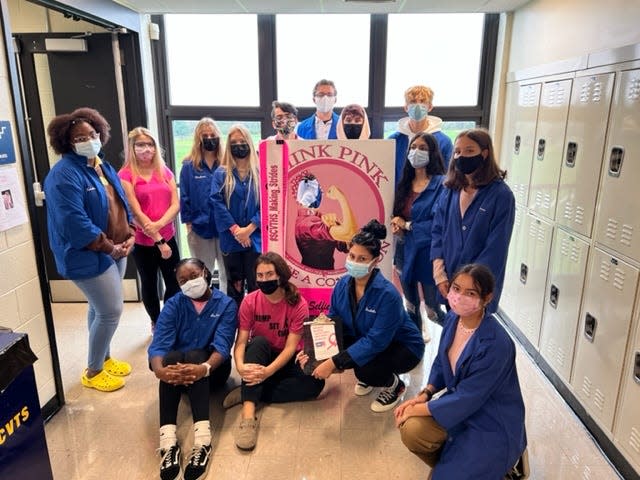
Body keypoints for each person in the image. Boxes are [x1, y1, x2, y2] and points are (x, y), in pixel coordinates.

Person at [395, 264, 527, 480]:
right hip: (460, 409)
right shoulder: (453, 320)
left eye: (471, 293)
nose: (459, 297)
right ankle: (458, 466)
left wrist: (415, 409)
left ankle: (496, 470)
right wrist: (425, 393)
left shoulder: (496, 343)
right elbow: (441, 362)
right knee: (412, 431)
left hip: (490, 421)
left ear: (487, 298)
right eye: (456, 289)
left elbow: (468, 398)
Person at [44, 107, 135, 392]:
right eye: (80, 137)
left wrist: (130, 232)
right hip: (88, 254)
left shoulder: (102, 166)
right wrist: (110, 248)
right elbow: (75, 223)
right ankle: (94, 371)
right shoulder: (63, 175)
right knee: (110, 310)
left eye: (93, 134)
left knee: (99, 308)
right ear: (67, 142)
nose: (89, 140)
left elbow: (121, 202)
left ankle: (104, 358)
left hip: (115, 249)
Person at [308, 220, 425, 412]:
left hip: (404, 347)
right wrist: (313, 350)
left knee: (365, 369)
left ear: (375, 260)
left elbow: (376, 341)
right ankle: (372, 375)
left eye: (362, 259)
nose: (354, 262)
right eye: (352, 256)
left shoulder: (388, 295)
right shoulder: (342, 285)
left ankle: (394, 384)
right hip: (368, 337)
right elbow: (333, 322)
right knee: (354, 358)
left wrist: (333, 363)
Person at [222, 252, 325, 451]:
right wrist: (241, 366)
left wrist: (268, 372)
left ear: (281, 276)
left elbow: (290, 348)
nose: (264, 280)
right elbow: (242, 340)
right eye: (260, 275)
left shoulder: (298, 303)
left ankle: (248, 392)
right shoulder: (249, 301)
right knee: (258, 342)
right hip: (260, 354)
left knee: (315, 384)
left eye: (269, 274)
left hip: (286, 357)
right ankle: (248, 415)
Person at [148, 258, 237, 480]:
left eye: (194, 276)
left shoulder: (226, 304)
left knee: (196, 354)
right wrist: (160, 371)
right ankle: (168, 443)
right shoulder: (174, 304)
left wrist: (204, 368)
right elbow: (159, 344)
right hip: (179, 375)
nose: (190, 282)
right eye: (183, 280)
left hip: (213, 372)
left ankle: (203, 442)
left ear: (205, 272)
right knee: (171, 357)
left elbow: (223, 346)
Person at [431, 129, 515, 314]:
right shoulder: (450, 191)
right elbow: (438, 232)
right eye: (458, 151)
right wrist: (440, 274)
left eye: (469, 151)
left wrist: (468, 287)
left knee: (473, 334)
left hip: (478, 287)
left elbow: (496, 248)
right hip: (449, 281)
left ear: (484, 153)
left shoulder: (501, 195)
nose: (462, 156)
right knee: (453, 331)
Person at [119, 127, 181, 330]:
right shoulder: (126, 174)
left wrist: (160, 226)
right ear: (132, 148)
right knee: (149, 283)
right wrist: (157, 239)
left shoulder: (164, 171)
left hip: (167, 235)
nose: (146, 149)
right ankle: (156, 321)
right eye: (140, 145)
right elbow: (134, 210)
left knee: (173, 281)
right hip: (143, 241)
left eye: (150, 144)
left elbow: (175, 204)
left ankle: (169, 320)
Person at [391, 133, 446, 342]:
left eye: (423, 148)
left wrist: (407, 225)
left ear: (432, 153)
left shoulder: (442, 185)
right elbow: (398, 214)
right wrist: (397, 224)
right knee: (410, 306)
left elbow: (439, 224)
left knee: (433, 310)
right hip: (404, 252)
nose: (416, 152)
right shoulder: (403, 184)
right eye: (413, 147)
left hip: (429, 255)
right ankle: (415, 348)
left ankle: (462, 339)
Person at [210, 124, 261, 307]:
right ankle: (236, 324)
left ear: (249, 142)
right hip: (231, 239)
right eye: (234, 143)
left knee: (256, 284)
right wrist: (236, 230)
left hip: (255, 237)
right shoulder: (221, 174)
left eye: (242, 141)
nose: (239, 145)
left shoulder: (260, 172)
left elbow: (269, 203)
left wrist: (250, 228)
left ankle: (256, 326)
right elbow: (217, 203)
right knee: (234, 285)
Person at [179, 117, 227, 294]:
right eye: (204, 135)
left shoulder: (226, 164)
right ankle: (204, 308)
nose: (209, 138)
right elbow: (184, 196)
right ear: (198, 139)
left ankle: (225, 308)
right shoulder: (189, 166)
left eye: (212, 135)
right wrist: (188, 224)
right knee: (201, 273)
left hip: (225, 228)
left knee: (226, 273)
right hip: (199, 227)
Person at [388, 85, 453, 185]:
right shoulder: (394, 140)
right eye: (413, 102)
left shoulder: (443, 141)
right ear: (406, 107)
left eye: (422, 101)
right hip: (400, 195)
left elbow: (449, 175)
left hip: (432, 197)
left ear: (430, 107)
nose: (418, 106)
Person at [294, 174, 357, 270]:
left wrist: (338, 225)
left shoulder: (319, 219)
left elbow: (350, 243)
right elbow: (350, 233)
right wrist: (341, 198)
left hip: (324, 276)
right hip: (316, 277)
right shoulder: (307, 223)